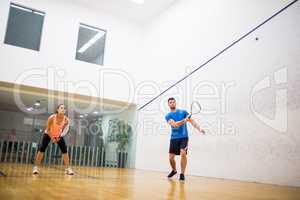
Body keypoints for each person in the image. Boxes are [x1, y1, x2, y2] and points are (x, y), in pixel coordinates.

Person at [165, 97, 204, 181]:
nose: (172, 103)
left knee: (183, 153)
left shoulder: (183, 112)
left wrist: (199, 129)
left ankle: (182, 174)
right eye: (170, 102)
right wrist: (185, 120)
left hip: (184, 137)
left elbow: (192, 121)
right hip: (174, 138)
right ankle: (174, 170)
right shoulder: (168, 116)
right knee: (171, 158)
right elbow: (175, 125)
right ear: (168, 104)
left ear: (175, 103)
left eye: (173, 102)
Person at [32, 104, 74, 175]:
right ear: (57, 110)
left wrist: (59, 137)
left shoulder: (66, 119)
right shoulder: (51, 118)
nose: (63, 109)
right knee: (42, 148)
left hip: (59, 135)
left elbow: (66, 130)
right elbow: (48, 130)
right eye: (61, 108)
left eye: (64, 108)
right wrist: (52, 138)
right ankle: (35, 167)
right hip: (48, 134)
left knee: (65, 150)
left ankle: (68, 168)